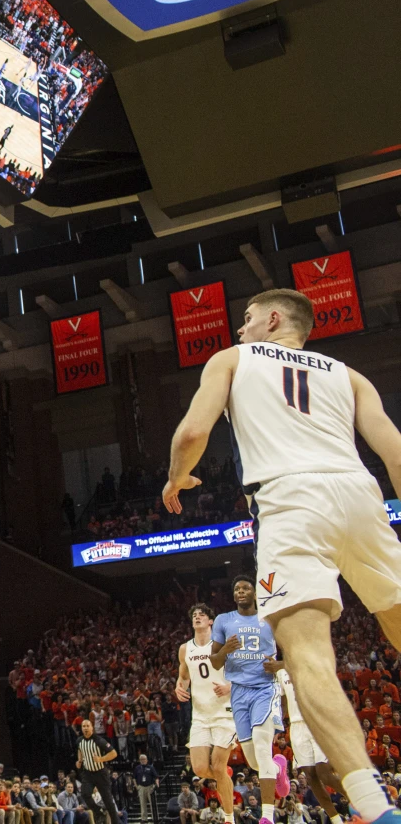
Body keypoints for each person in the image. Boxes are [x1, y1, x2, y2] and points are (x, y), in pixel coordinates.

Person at [163, 287, 401, 824]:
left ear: (273, 319)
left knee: (308, 654)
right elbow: (395, 451)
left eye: (246, 319)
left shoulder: (231, 359)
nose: (239, 329)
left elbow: (194, 431)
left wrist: (176, 478)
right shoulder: (349, 375)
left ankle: (373, 808)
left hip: (289, 500)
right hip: (360, 493)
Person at [210, 578, 289, 824]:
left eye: (245, 588)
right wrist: (225, 650)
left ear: (254, 593)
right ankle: (278, 769)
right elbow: (214, 661)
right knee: (254, 761)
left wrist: (281, 664)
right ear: (234, 596)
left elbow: (294, 650)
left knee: (262, 746)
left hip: (265, 688)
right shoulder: (224, 620)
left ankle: (267, 816)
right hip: (239, 692)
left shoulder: (270, 618)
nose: (241, 591)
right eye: (237, 589)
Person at [177, 603, 236, 824]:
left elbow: (242, 672)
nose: (197, 617)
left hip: (224, 712)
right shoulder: (185, 648)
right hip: (200, 715)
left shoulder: (221, 643)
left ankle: (229, 818)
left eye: (202, 614)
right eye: (194, 615)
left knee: (219, 766)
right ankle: (224, 779)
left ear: (211, 621)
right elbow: (183, 674)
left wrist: (229, 687)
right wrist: (179, 686)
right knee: (201, 768)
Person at [277, 666, 344, 824]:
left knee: (324, 774)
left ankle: (359, 803)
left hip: (316, 721)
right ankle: (336, 820)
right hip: (296, 726)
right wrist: (277, 724)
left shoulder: (305, 662)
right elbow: (283, 700)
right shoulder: (280, 671)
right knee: (311, 777)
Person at [75, 720, 121, 824]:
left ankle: (116, 822)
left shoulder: (99, 740)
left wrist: (101, 759)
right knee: (85, 794)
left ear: (92, 728)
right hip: (88, 773)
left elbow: (114, 753)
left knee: (108, 801)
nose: (85, 728)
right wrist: (79, 761)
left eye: (87, 726)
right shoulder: (79, 740)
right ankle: (98, 812)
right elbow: (80, 750)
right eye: (83, 726)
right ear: (81, 728)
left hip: (101, 773)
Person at [133, 755, 158, 824]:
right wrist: (136, 786)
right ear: (139, 760)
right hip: (141, 787)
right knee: (142, 803)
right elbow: (134, 778)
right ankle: (144, 818)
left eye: (144, 759)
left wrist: (156, 785)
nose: (143, 760)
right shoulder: (137, 768)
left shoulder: (151, 767)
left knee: (152, 803)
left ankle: (154, 817)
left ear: (147, 760)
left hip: (150, 786)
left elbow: (156, 776)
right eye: (141, 759)